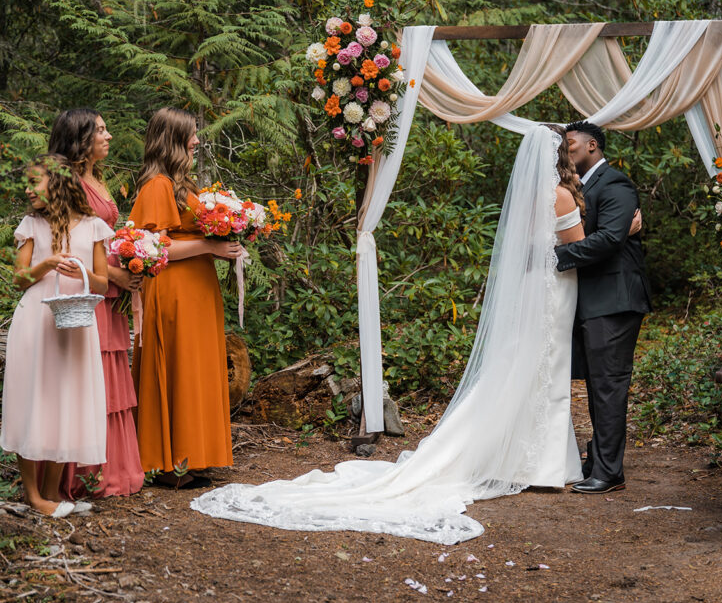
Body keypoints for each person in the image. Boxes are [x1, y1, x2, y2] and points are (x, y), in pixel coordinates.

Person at [193, 124, 586, 544]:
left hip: (532, 288)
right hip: (552, 292)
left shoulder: (530, 195)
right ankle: (543, 464)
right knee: (546, 365)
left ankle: (524, 458)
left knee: (524, 367)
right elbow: (576, 244)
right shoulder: (559, 195)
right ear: (560, 153)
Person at [129, 107, 244, 489]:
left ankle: (191, 456)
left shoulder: (183, 185)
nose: (196, 140)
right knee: (178, 368)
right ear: (173, 139)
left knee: (196, 370)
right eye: (191, 135)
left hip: (197, 290)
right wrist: (208, 245)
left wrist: (224, 238)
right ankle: (167, 462)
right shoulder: (157, 186)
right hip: (173, 289)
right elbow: (154, 248)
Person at [1, 155, 112, 516]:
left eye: (35, 182)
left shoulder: (93, 226)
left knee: (63, 401)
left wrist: (77, 267)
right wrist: (48, 263)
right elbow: (19, 278)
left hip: (74, 324)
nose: (29, 190)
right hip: (35, 320)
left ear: (58, 182)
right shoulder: (31, 225)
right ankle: (33, 496)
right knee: (31, 398)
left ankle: (52, 492)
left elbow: (102, 281)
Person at [47, 109, 145, 498]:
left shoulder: (97, 179)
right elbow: (66, 245)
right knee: (90, 379)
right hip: (89, 291)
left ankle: (115, 470)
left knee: (110, 377)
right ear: (80, 140)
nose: (108, 135)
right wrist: (116, 276)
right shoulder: (68, 183)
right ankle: (84, 474)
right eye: (100, 130)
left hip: (109, 292)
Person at [554, 120, 652, 494]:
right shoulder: (577, 187)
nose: (567, 150)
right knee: (597, 385)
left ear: (592, 145)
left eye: (572, 144)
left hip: (615, 299)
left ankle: (609, 472)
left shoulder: (615, 183)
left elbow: (609, 239)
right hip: (593, 299)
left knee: (609, 385)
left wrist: (555, 256)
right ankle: (598, 459)